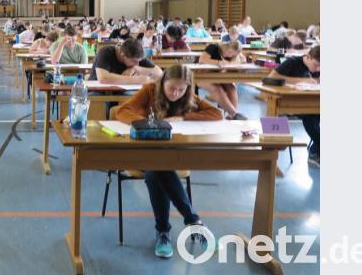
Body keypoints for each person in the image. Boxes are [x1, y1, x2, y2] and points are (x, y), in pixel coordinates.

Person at [114, 64, 220, 258]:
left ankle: (163, 232)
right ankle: (192, 221)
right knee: (157, 166)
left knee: (157, 170)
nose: (176, 93)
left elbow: (216, 113)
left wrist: (185, 117)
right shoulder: (150, 91)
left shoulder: (186, 97)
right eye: (171, 88)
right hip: (142, 153)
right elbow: (121, 111)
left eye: (181, 89)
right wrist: (148, 124)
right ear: (162, 82)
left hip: (170, 157)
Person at [268, 45, 320, 167]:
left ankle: (315, 150)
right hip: (287, 102)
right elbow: (272, 77)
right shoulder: (292, 62)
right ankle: (315, 152)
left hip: (310, 101)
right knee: (311, 116)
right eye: (316, 64)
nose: (317, 68)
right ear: (308, 57)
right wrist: (300, 81)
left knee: (315, 113)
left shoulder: (318, 68)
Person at [197, 40, 248, 120]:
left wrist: (233, 62)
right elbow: (202, 60)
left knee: (231, 87)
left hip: (218, 76)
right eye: (230, 52)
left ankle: (231, 116)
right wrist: (218, 62)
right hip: (202, 75)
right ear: (227, 46)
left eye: (233, 54)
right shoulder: (213, 47)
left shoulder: (234, 53)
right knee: (217, 89)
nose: (229, 55)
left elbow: (243, 59)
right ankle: (234, 114)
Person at [89, 38, 162, 84]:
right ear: (123, 55)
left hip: (121, 92)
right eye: (134, 61)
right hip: (97, 91)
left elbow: (159, 73)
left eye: (139, 61)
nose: (137, 64)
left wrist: (137, 69)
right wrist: (136, 80)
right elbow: (103, 78)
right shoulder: (106, 52)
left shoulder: (137, 55)